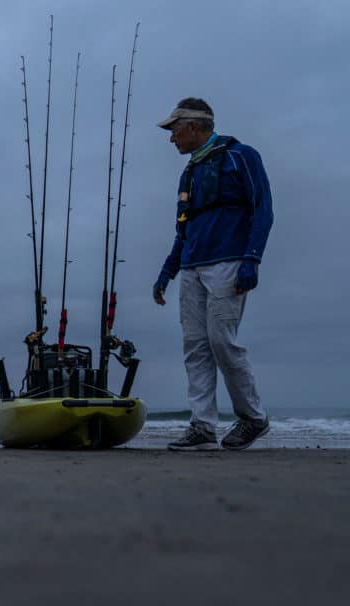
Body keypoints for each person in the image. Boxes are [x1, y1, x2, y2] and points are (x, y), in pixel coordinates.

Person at [153, 98, 274, 451]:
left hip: (230, 261)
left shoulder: (241, 156)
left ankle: (253, 417)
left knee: (222, 340)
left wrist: (252, 259)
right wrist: (167, 271)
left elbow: (263, 209)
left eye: (174, 129)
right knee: (195, 347)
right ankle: (202, 426)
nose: (171, 137)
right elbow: (183, 229)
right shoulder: (188, 172)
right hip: (192, 266)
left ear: (193, 126)